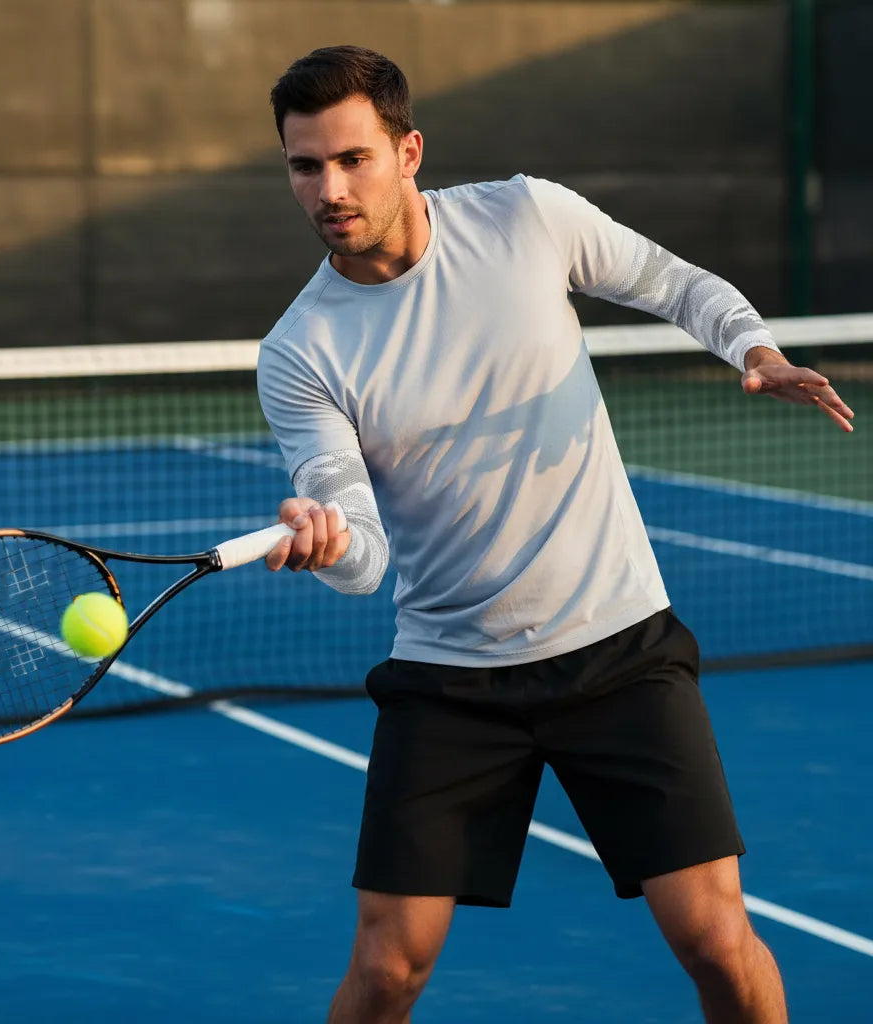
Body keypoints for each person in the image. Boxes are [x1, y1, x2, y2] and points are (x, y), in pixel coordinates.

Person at [256, 45, 853, 1024]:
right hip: (449, 682)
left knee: (713, 940)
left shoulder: (522, 217)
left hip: (618, 652)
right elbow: (362, 553)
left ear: (408, 152)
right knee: (386, 970)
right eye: (304, 165)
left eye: (351, 158)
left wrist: (751, 346)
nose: (328, 187)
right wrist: (328, 542)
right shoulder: (300, 352)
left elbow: (671, 281)